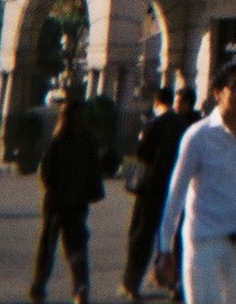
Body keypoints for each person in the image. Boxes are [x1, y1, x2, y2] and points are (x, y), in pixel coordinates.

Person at [154, 63, 236, 304]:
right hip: (204, 244)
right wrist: (165, 247)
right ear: (217, 92)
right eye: (235, 87)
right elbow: (177, 191)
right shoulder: (198, 136)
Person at [120, 86, 195, 302]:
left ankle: (132, 282)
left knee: (142, 236)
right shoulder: (189, 126)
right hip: (178, 188)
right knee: (178, 238)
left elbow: (142, 153)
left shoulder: (157, 124)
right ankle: (177, 283)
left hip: (152, 187)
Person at [29, 95, 105, 304]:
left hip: (56, 202)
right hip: (77, 202)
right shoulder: (88, 140)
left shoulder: (58, 140)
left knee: (48, 246)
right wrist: (91, 193)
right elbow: (94, 171)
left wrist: (53, 188)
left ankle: (39, 287)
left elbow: (46, 172)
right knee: (77, 247)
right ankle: (81, 288)